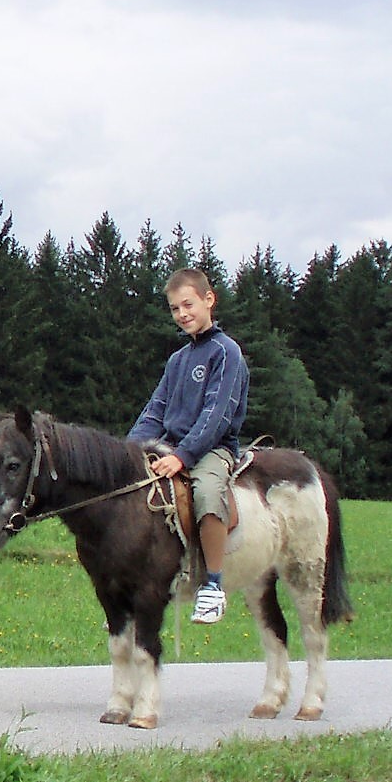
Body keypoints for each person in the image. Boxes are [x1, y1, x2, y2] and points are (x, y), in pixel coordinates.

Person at [127, 266, 249, 624]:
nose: (182, 315)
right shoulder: (177, 360)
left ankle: (212, 586)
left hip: (211, 449)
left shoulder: (227, 354)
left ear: (209, 300)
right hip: (171, 446)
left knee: (208, 493)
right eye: (175, 309)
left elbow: (217, 416)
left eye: (188, 305)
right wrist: (128, 453)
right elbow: (155, 410)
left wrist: (183, 456)